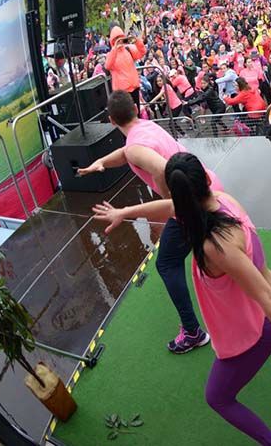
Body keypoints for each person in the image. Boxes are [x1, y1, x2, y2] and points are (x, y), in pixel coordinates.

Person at [91, 152, 271, 444]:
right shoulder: (224, 200)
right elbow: (169, 207)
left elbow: (265, 300)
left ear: (184, 196)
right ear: (206, 179)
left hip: (264, 325)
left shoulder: (215, 245)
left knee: (218, 398)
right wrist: (124, 211)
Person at [76, 91, 219, 353]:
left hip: (190, 203)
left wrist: (169, 200)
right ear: (135, 109)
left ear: (111, 120)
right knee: (227, 251)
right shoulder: (145, 127)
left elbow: (163, 169)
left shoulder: (135, 147)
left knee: (167, 263)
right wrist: (101, 162)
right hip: (207, 189)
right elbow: (128, 152)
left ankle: (192, 332)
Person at [105, 25, 146, 107]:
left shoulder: (128, 49)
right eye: (117, 39)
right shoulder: (111, 54)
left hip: (134, 88)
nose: (119, 41)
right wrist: (115, 49)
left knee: (136, 113)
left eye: (121, 38)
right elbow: (108, 66)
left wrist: (137, 41)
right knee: (127, 116)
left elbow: (142, 53)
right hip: (122, 93)